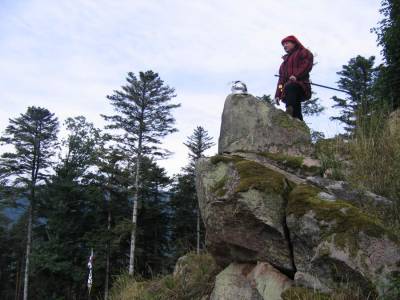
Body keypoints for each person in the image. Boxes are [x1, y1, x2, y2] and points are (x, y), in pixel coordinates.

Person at [275, 35, 314, 121]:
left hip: (301, 85)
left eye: (286, 43)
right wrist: (278, 93)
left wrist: (296, 75)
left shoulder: (303, 52)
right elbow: (281, 82)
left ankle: (290, 111)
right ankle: (297, 120)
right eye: (283, 45)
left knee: (290, 87)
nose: (284, 46)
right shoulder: (283, 64)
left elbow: (306, 65)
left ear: (294, 43)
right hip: (288, 91)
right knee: (295, 106)